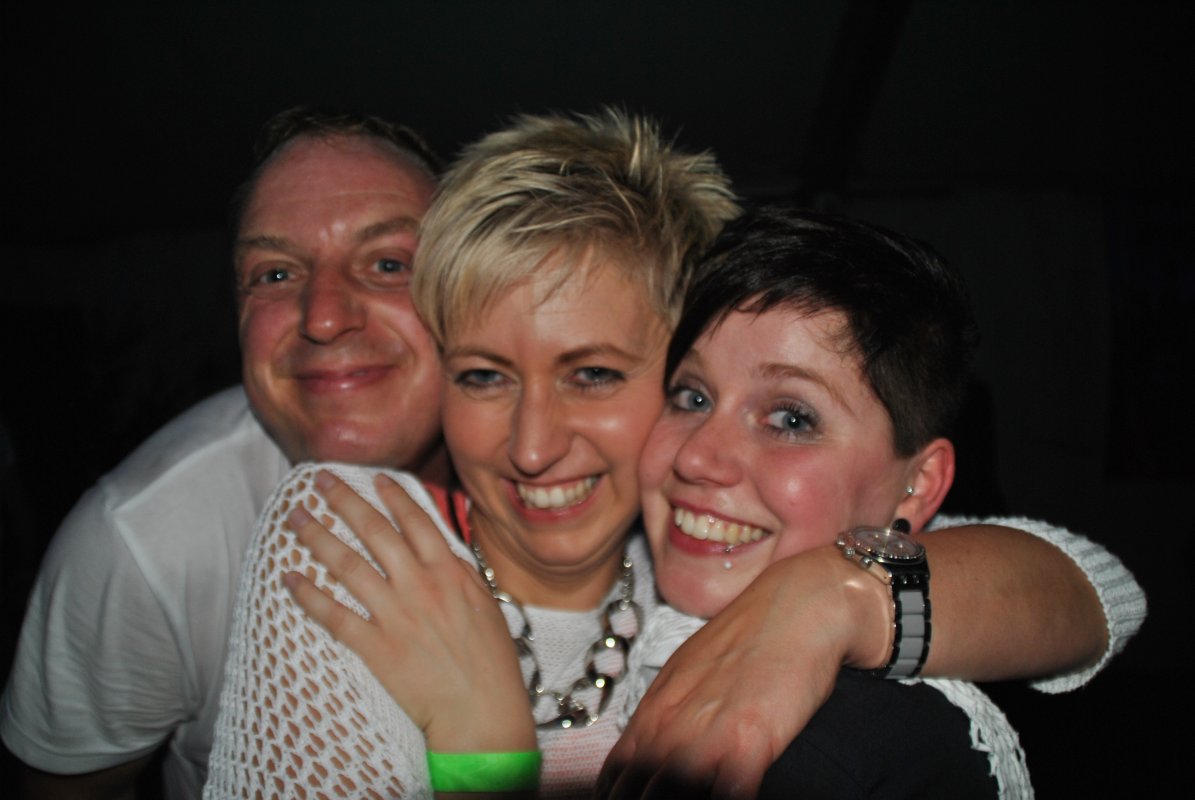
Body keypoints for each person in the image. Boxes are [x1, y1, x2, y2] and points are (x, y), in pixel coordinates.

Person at [204, 114, 1144, 798]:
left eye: (594, 374)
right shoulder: (355, 542)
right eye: (484, 376)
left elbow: (1098, 590)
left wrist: (824, 598)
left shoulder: (709, 570)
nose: (531, 447)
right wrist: (485, 756)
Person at [0, 107, 447, 799]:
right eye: (275, 274)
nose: (324, 315)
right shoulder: (144, 543)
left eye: (389, 264)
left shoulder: (578, 481)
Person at [606, 204, 1067, 797]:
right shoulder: (616, 587)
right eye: (692, 397)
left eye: (791, 418)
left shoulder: (856, 752)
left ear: (918, 484)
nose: (696, 458)